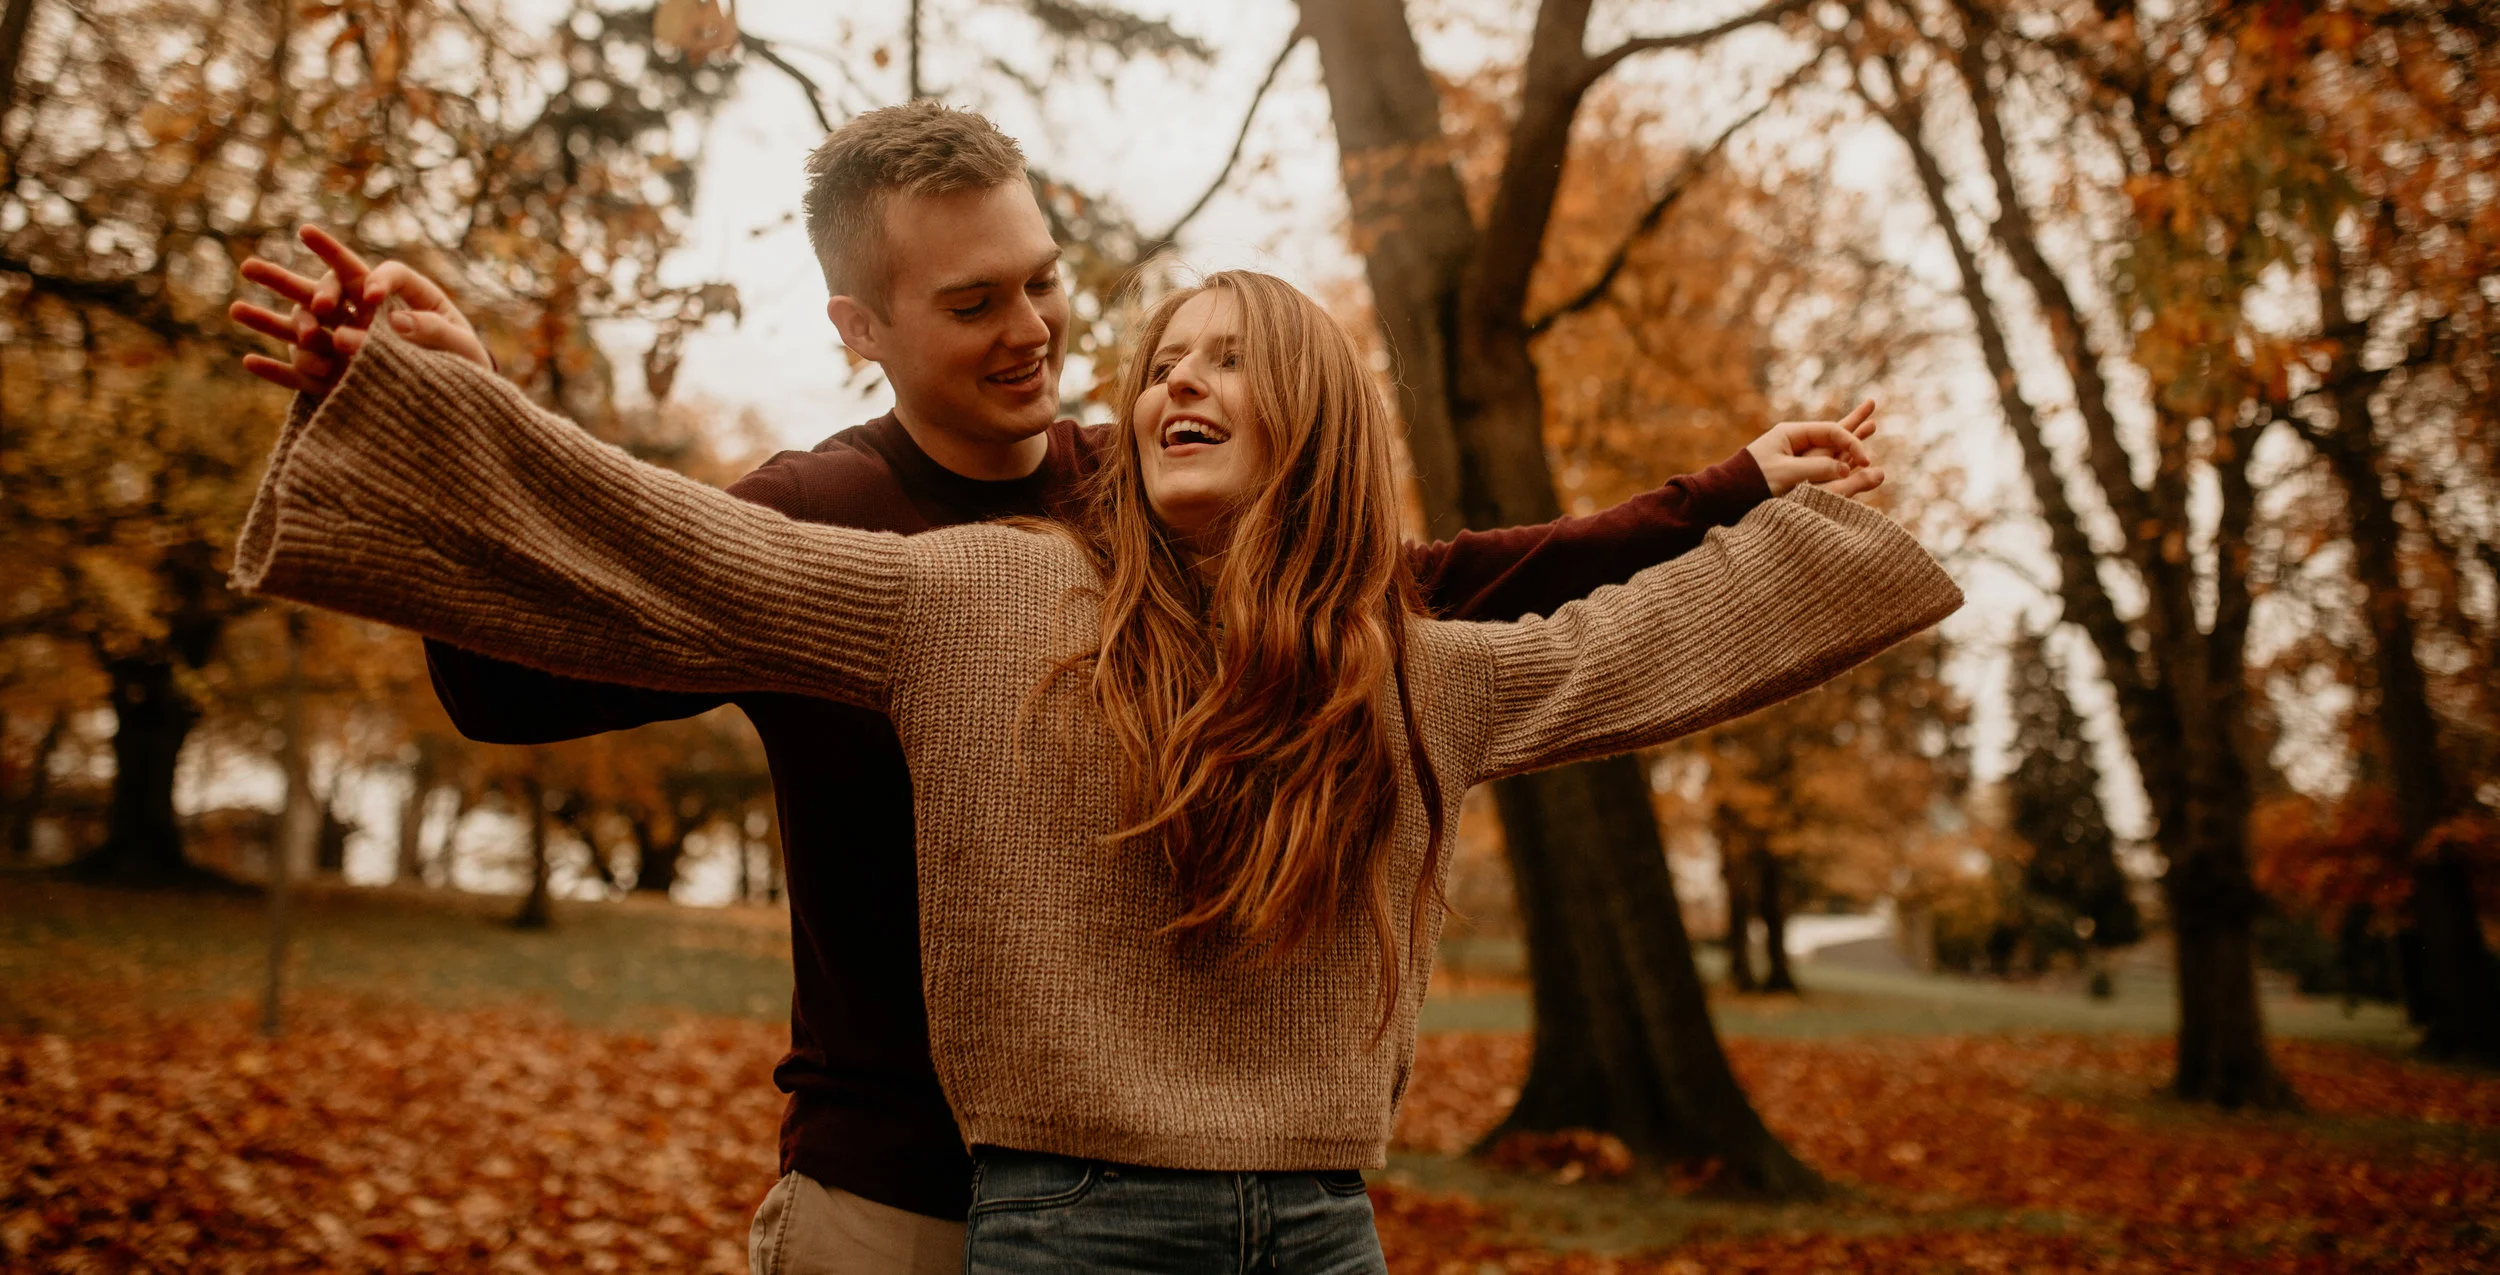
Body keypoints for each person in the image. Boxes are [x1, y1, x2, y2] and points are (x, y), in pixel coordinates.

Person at [232, 105, 1885, 1275]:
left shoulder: (1142, 498)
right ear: (861, 325)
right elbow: (579, 620)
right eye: (975, 302)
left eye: (1041, 277)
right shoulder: (832, 521)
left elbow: (1422, 604)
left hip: (1219, 1175)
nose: (1035, 329)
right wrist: (457, 424)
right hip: (895, 1184)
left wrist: (1720, 490)